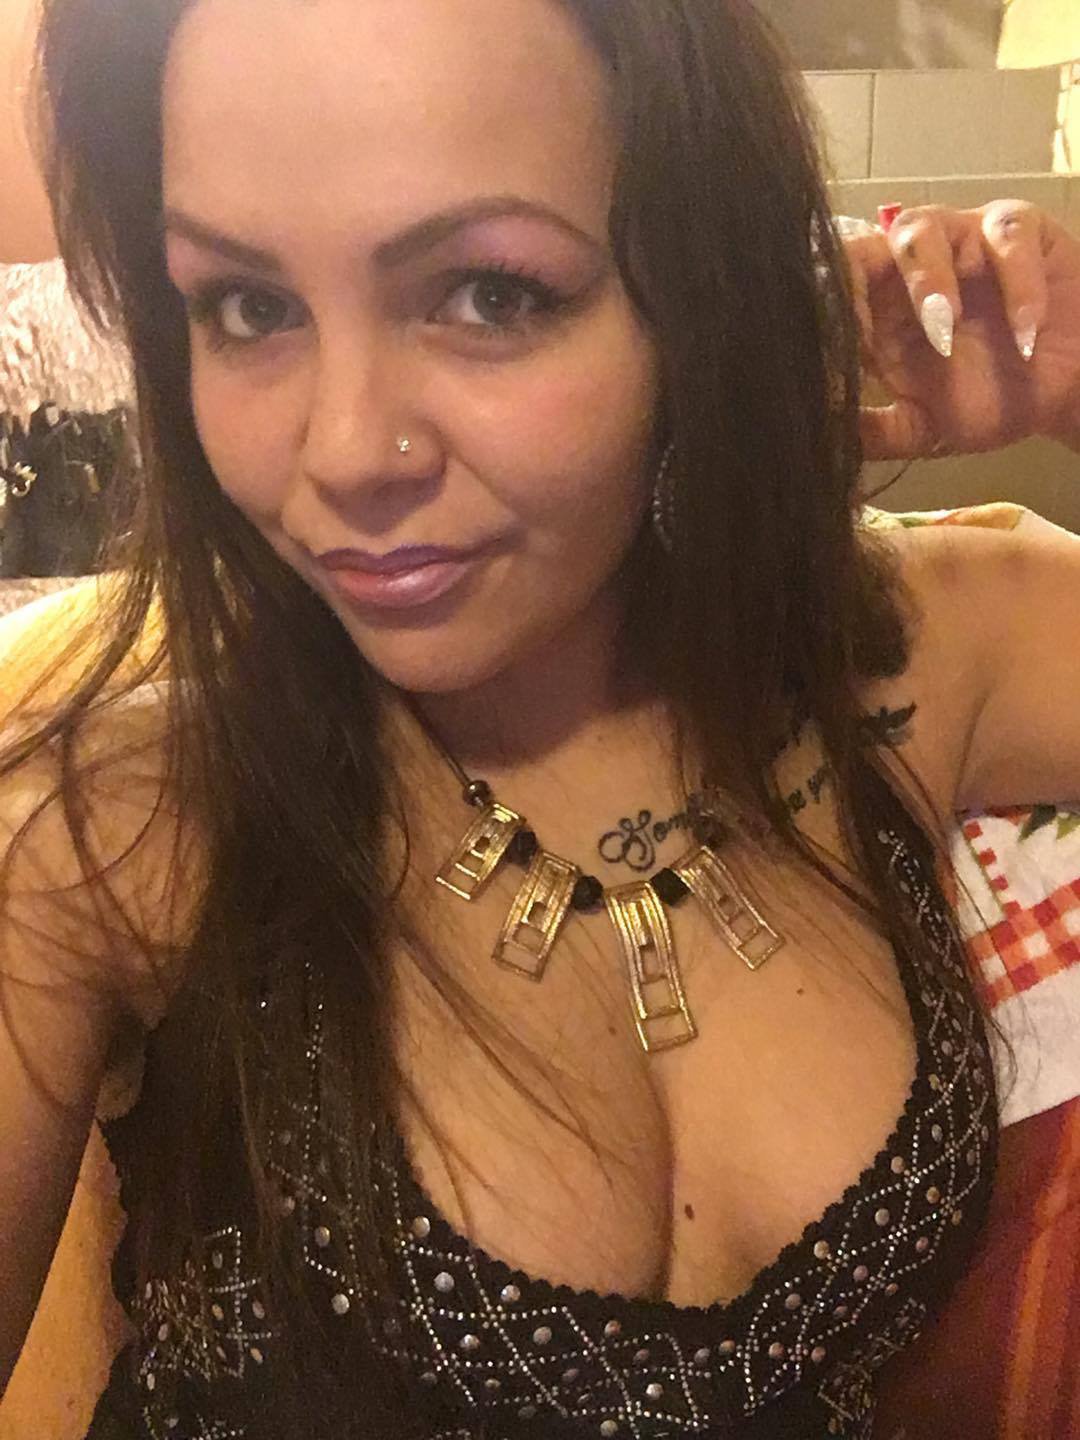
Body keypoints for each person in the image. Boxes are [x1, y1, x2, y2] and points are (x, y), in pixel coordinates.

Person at [2, 0, 1079, 1435]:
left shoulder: (908, 654)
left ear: (700, 290)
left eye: (489, 295)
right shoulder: (111, 824)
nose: (346, 452)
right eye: (248, 308)